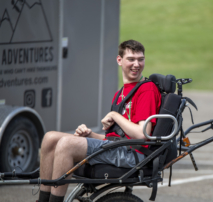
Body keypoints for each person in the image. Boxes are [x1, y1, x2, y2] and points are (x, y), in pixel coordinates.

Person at [37, 40, 161, 202]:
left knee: (67, 144)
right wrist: (90, 134)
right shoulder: (121, 93)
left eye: (140, 59)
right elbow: (112, 140)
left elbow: (142, 134)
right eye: (131, 59)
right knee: (50, 137)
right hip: (121, 148)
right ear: (119, 60)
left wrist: (115, 116)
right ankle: (43, 199)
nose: (136, 64)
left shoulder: (146, 89)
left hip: (135, 155)